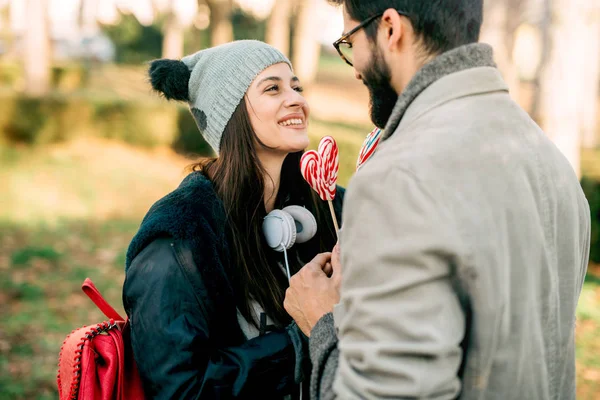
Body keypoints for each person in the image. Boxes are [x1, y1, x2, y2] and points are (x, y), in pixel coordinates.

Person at [283, 1, 591, 399]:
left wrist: (324, 322)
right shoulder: (551, 162)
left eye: (350, 41)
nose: (355, 67)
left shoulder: (398, 177)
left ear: (391, 29)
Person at [122, 40, 343, 399]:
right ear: (231, 112)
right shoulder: (179, 239)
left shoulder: (321, 206)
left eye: (296, 86)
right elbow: (181, 390)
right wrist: (301, 338)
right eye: (273, 88)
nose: (297, 99)